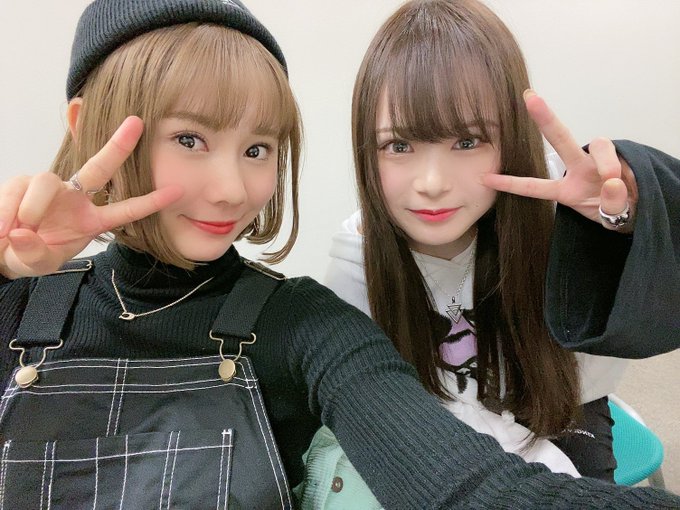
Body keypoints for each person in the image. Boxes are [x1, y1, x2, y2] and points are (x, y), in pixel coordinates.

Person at [1, 0, 679, 509]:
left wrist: (622, 216)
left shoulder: (299, 322)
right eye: (189, 139)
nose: (232, 189)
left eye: (257, 149)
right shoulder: (23, 299)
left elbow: (459, 483)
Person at [296, 0, 680, 507]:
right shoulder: (358, 260)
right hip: (437, 426)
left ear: (510, 138)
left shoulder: (557, 207)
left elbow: (653, 313)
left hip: (559, 407)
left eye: (467, 140)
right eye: (399, 146)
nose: (432, 183)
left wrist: (624, 222)